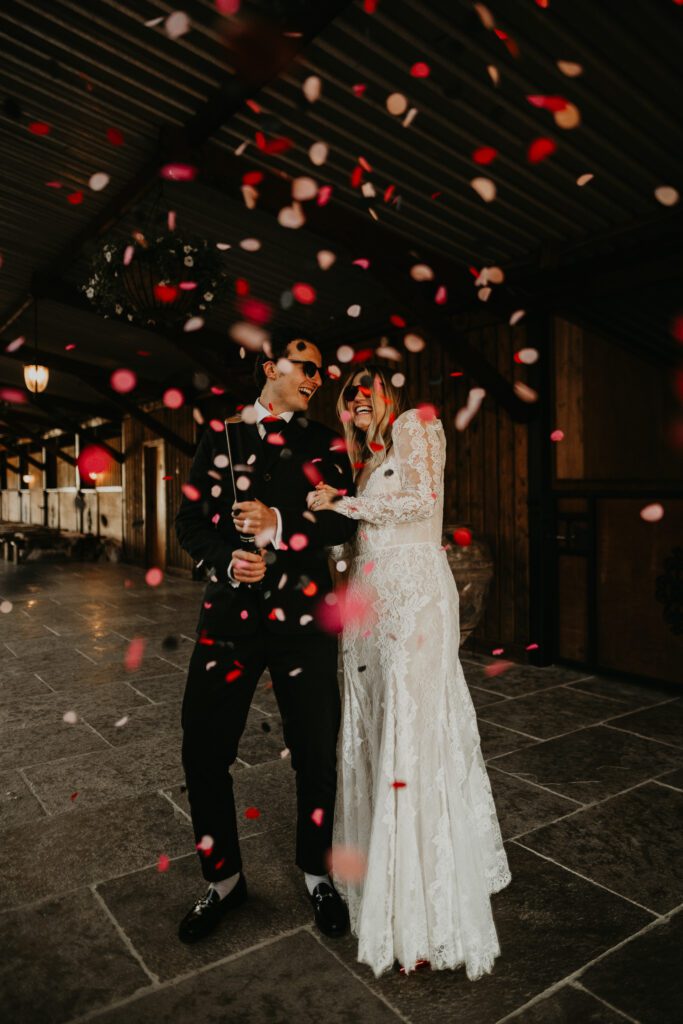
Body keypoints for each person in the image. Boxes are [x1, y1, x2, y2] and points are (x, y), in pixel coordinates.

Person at [307, 365, 511, 978]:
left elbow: (422, 501)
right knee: (375, 729)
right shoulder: (369, 458)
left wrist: (343, 502)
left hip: (415, 600)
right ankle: (381, 870)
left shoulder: (417, 426)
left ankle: (425, 899)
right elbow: (369, 529)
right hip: (372, 603)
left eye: (362, 393)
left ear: (386, 394)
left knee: (413, 730)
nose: (355, 404)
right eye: (348, 400)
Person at [175, 331, 357, 944]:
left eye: (321, 371)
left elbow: (341, 517)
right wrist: (227, 562)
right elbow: (190, 522)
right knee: (202, 749)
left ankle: (317, 874)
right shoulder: (218, 437)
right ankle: (222, 881)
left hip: (304, 623)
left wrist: (279, 525)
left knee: (315, 751)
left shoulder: (327, 441)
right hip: (228, 621)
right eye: (306, 364)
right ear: (270, 365)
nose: (317, 377)